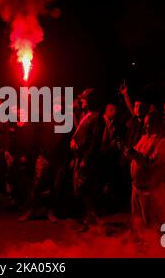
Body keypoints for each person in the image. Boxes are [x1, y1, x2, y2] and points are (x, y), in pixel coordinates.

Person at [120, 113, 165, 228]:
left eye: (149, 124)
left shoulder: (161, 142)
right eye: (145, 124)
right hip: (135, 187)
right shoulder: (144, 137)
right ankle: (141, 243)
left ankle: (152, 244)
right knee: (137, 221)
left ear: (156, 124)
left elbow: (150, 163)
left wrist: (134, 153)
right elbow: (134, 155)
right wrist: (125, 150)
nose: (146, 126)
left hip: (148, 191)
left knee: (149, 223)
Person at [70, 88, 102, 231]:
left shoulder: (95, 117)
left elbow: (94, 141)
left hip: (86, 158)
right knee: (80, 189)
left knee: (85, 189)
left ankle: (92, 219)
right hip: (80, 157)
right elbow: (80, 132)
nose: (81, 101)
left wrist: (86, 159)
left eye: (84, 99)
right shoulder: (87, 115)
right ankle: (90, 219)